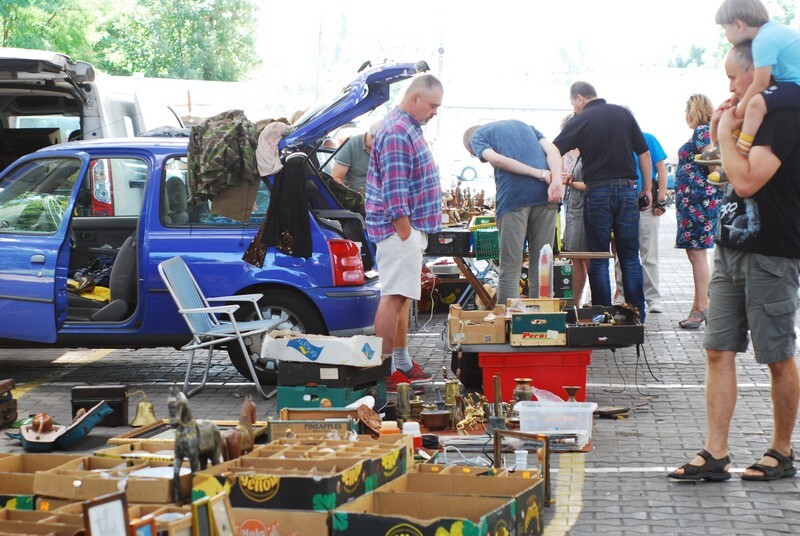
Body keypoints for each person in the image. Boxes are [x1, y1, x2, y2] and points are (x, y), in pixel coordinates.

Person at [669, 40, 800, 482]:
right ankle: (715, 453)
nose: (728, 86)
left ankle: (781, 452)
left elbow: (744, 182)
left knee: (777, 356)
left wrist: (724, 133)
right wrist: (721, 130)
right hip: (729, 247)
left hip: (772, 252)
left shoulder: (782, 119)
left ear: (757, 75)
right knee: (717, 350)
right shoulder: (750, 117)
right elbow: (724, 170)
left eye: (732, 76)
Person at [365, 74, 443, 392]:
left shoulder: (405, 126)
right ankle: (383, 371)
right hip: (399, 230)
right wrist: (406, 233)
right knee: (394, 298)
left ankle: (401, 363)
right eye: (432, 105)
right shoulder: (398, 130)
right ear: (414, 99)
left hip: (404, 230)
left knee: (401, 298)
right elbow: (395, 191)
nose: (435, 111)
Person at [552, 82, 652, 323]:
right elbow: (644, 154)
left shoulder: (581, 119)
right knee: (629, 255)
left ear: (578, 98)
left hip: (598, 192)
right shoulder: (623, 113)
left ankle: (602, 315)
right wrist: (646, 189)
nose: (574, 110)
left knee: (598, 256)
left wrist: (554, 179)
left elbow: (553, 149)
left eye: (573, 105)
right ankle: (637, 314)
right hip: (628, 190)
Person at [462, 120, 564, 305]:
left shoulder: (477, 136)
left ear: (471, 147)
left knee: (510, 268)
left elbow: (497, 160)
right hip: (546, 196)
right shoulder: (528, 126)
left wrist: (539, 173)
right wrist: (556, 178)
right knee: (542, 266)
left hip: (514, 199)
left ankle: (509, 327)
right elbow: (553, 151)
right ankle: (541, 324)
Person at [712, 0, 800, 159]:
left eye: (725, 29)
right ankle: (734, 144)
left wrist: (736, 114)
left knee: (755, 104)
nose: (726, 36)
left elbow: (760, 83)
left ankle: (741, 153)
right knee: (753, 102)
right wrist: (735, 99)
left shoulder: (763, 40)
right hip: (792, 83)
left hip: (796, 84)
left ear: (739, 25)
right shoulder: (770, 32)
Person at [674, 94, 722, 329]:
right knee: (696, 254)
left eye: (687, 110)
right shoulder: (705, 131)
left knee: (697, 254)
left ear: (695, 111)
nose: (685, 116)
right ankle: (700, 306)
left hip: (699, 203)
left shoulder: (702, 130)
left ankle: (702, 307)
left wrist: (708, 189)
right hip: (695, 202)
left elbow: (714, 163)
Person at [614, 131, 670, 313]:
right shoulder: (613, 139)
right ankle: (622, 293)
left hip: (645, 204)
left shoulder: (647, 138)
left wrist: (661, 198)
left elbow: (661, 167)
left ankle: (653, 297)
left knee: (649, 254)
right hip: (622, 204)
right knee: (620, 254)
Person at [558, 114, 589, 306]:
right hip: (570, 206)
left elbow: (591, 184)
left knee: (587, 258)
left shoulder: (589, 151)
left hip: (586, 206)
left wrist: (571, 183)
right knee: (576, 257)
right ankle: (575, 303)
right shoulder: (564, 151)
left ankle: (589, 301)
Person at [332, 121, 381, 192]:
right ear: (373, 137)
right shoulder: (350, 145)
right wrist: (353, 197)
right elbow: (336, 177)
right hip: (356, 199)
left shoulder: (387, 146)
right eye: (382, 140)